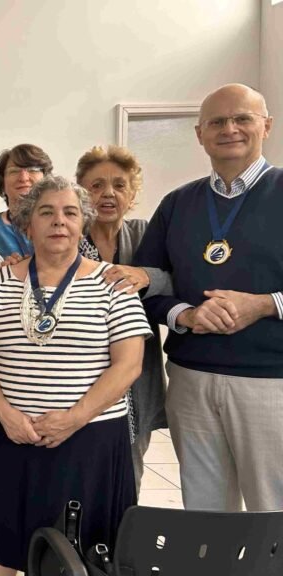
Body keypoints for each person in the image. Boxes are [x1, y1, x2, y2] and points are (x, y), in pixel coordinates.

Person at [0, 175, 151, 575]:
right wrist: (2, 411)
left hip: (90, 442)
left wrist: (75, 417)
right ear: (27, 223)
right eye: (46, 212)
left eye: (69, 213)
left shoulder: (111, 282)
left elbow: (129, 363)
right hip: (13, 437)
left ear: (82, 223)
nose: (58, 222)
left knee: (80, 560)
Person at [133, 83, 283, 512]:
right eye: (217, 121)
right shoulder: (178, 204)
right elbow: (148, 285)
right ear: (200, 134)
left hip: (270, 382)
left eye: (242, 119)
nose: (229, 129)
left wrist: (265, 304)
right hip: (190, 378)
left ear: (266, 126)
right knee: (204, 512)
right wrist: (188, 315)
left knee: (272, 512)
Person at [74, 145, 171, 493]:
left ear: (132, 193)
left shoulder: (147, 232)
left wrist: (147, 276)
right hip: (79, 375)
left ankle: (120, 542)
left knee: (128, 472)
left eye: (119, 184)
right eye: (96, 185)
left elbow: (180, 279)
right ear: (81, 193)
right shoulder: (67, 236)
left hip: (134, 376)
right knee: (78, 468)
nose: (107, 194)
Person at [0, 144, 53, 258]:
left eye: (32, 170)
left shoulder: (62, 224)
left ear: (47, 179)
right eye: (14, 171)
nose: (23, 178)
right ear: (2, 183)